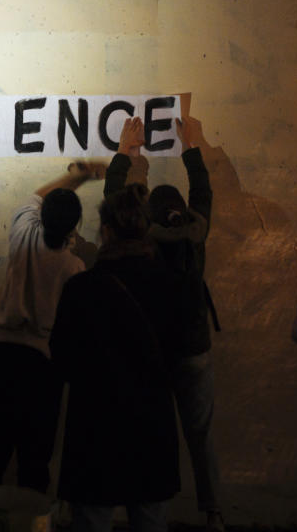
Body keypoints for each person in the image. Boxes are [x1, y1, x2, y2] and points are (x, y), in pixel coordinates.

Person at [0, 161, 106, 514]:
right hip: (41, 364)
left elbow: (35, 196)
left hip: (0, 354)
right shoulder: (73, 268)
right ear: (73, 228)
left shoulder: (22, 232)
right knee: (35, 458)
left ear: (42, 217)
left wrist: (77, 177)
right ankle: (31, 523)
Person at [108, 117, 224, 531]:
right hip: (194, 350)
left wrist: (127, 156)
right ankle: (214, 515)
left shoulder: (144, 241)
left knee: (149, 435)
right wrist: (190, 145)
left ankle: (144, 508)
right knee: (201, 435)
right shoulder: (197, 234)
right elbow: (205, 192)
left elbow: (113, 202)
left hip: (154, 354)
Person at [50, 183, 181, 532]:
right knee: (150, 520)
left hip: (96, 430)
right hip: (152, 426)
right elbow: (179, 352)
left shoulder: (82, 289)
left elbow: (61, 360)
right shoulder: (168, 285)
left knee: (92, 520)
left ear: (106, 231)